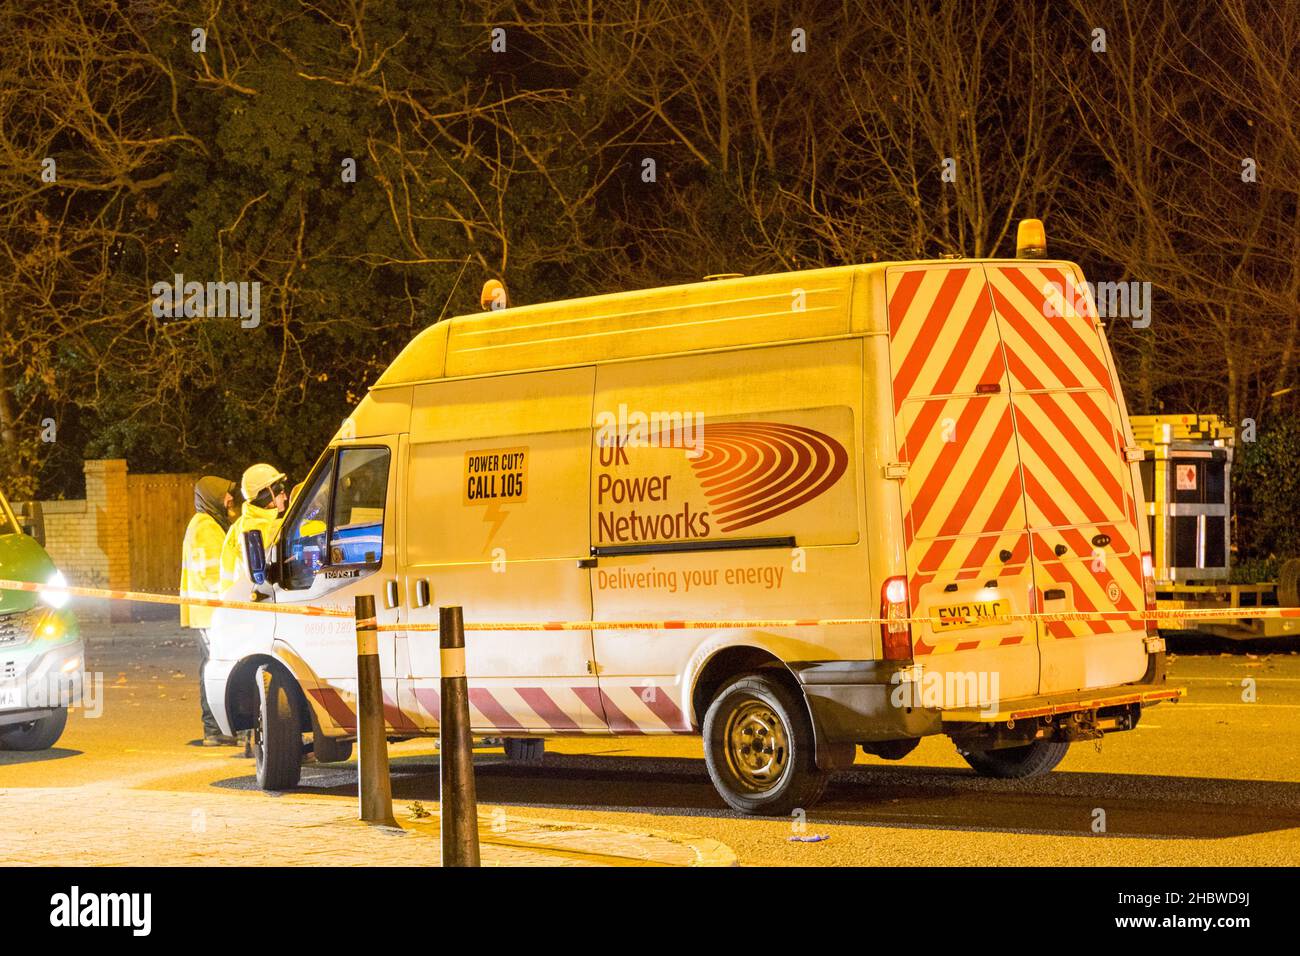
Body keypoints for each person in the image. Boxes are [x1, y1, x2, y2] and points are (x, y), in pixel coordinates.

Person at [180, 476, 239, 746]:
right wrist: (235, 597)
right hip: (209, 613)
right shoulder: (205, 526)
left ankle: (217, 729)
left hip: (209, 612)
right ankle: (214, 730)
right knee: (214, 668)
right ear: (212, 497)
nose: (230, 499)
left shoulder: (209, 524)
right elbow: (213, 573)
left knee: (212, 666)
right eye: (226, 495)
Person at [220, 463, 289, 594]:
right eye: (281, 492)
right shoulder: (258, 529)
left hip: (237, 600)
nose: (285, 497)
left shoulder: (241, 524)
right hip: (249, 602)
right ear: (267, 495)